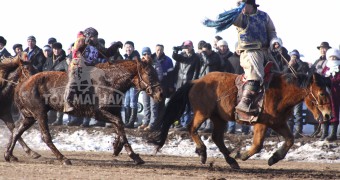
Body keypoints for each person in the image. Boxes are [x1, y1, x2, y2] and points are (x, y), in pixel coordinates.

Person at [232, 0, 277, 114]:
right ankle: (245, 102)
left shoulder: (264, 16)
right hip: (249, 52)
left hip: (266, 51)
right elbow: (233, 19)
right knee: (255, 75)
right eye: (240, 5)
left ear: (250, 5)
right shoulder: (241, 17)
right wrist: (235, 10)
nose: (241, 7)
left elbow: (271, 31)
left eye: (243, 5)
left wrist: (274, 41)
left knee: (277, 74)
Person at [63, 27, 123, 113]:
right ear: (88, 36)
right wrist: (86, 46)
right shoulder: (80, 41)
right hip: (78, 65)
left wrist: (115, 46)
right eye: (94, 37)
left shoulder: (97, 45)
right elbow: (76, 52)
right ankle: (67, 102)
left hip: (91, 67)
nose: (96, 39)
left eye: (96, 37)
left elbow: (106, 53)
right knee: (74, 80)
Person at [172, 40, 200, 130]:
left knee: (188, 105)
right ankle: (178, 122)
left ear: (192, 46)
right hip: (180, 82)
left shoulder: (195, 57)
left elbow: (196, 71)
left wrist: (193, 83)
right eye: (185, 46)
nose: (187, 48)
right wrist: (176, 50)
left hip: (189, 83)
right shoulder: (182, 56)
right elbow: (175, 57)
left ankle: (186, 123)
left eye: (188, 46)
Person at [284, 49, 310, 138]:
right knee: (289, 113)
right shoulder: (287, 66)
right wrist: (288, 66)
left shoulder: (302, 65)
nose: (293, 59)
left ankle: (298, 131)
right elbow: (283, 74)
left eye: (295, 57)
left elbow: (303, 70)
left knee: (297, 113)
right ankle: (289, 130)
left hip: (298, 93)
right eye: (292, 57)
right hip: (288, 93)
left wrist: (298, 61)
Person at [139, 47, 163, 131]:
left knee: (153, 106)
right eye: (144, 54)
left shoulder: (156, 63)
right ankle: (145, 122)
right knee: (146, 106)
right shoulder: (141, 64)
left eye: (148, 54)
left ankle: (152, 124)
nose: (146, 56)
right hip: (145, 88)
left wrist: (152, 84)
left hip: (154, 89)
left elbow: (160, 76)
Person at [321, 48, 340, 141]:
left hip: (336, 92)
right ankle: (324, 133)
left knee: (335, 111)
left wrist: (332, 81)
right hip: (327, 93)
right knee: (326, 111)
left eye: (334, 57)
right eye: (331, 57)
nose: (332, 58)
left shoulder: (339, 67)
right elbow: (322, 76)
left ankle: (333, 133)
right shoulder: (326, 67)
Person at [123, 41, 141, 128]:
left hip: (134, 84)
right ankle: (126, 121)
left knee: (133, 103)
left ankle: (131, 122)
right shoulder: (125, 58)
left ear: (133, 48)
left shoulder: (136, 58)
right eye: (126, 47)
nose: (128, 49)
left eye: (130, 47)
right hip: (126, 85)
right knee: (126, 103)